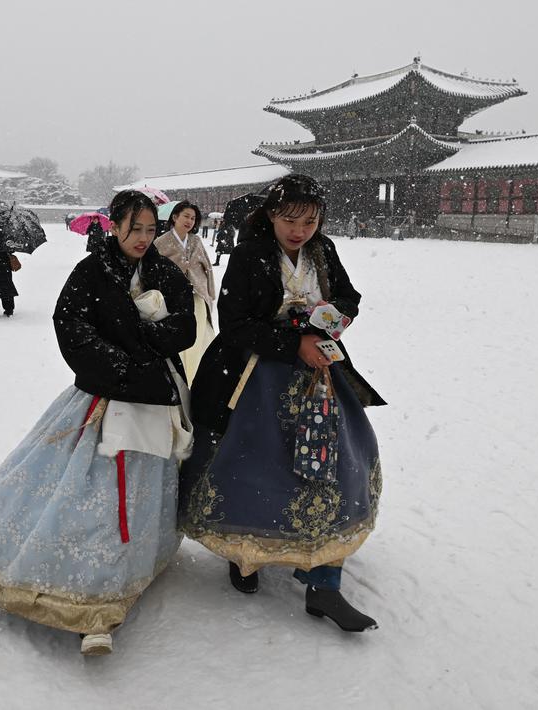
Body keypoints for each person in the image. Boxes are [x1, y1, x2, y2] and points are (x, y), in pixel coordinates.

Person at [0, 189, 195, 656]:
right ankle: (77, 594)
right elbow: (72, 327)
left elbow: (185, 327)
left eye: (150, 230)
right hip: (101, 396)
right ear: (114, 226)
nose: (143, 238)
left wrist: (143, 340)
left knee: (137, 494)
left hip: (154, 394)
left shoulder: (166, 272)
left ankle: (116, 583)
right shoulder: (91, 271)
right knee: (89, 492)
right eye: (134, 229)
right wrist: (119, 364)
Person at [178, 173, 385, 633]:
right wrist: (294, 342)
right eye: (290, 220)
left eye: (310, 221)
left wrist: (331, 322)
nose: (300, 230)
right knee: (252, 463)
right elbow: (235, 323)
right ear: (271, 215)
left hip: (318, 374)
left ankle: (324, 580)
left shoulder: (323, 251)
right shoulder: (250, 254)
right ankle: (245, 555)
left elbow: (347, 297)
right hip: (254, 375)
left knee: (332, 463)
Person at [153, 200, 216, 383]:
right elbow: (154, 270)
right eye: (186, 216)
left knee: (198, 336)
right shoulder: (161, 242)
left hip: (197, 295)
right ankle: (180, 377)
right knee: (179, 338)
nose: (190, 221)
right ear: (175, 217)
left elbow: (207, 266)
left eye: (193, 218)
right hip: (173, 298)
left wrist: (210, 292)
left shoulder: (196, 240)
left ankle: (196, 375)